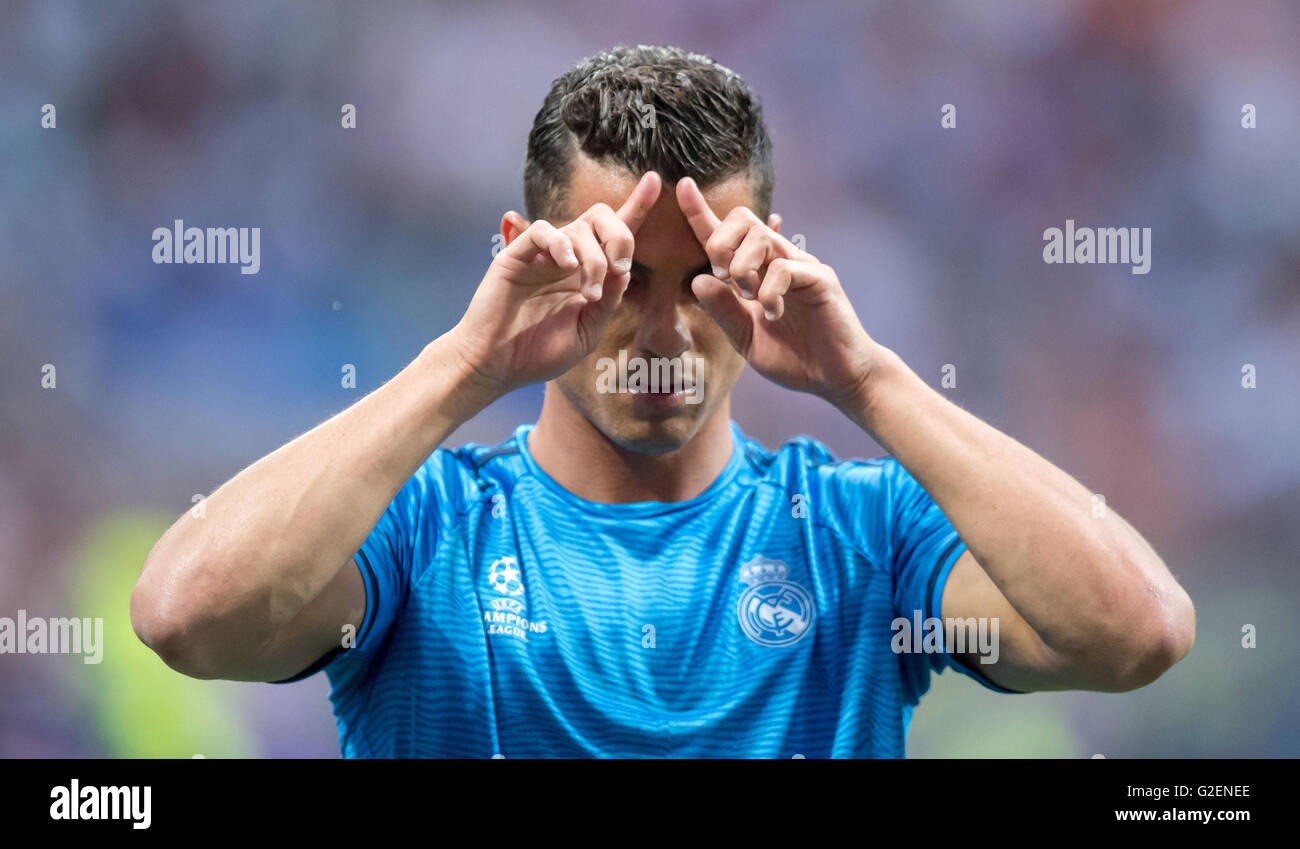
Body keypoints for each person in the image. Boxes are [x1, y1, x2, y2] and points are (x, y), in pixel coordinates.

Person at [130, 45, 1195, 757]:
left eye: (705, 281)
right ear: (524, 260)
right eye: (617, 279)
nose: (662, 329)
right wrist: (463, 364)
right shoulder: (422, 532)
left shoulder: (867, 534)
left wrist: (866, 381)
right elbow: (186, 616)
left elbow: (1135, 633)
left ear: (776, 264)